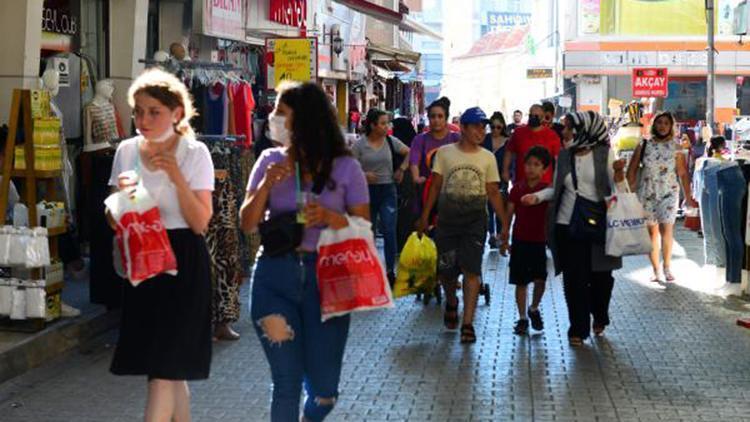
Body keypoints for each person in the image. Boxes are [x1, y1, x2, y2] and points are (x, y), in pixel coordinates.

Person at [240, 81, 369, 422]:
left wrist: (330, 217)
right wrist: (267, 184)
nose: (273, 119)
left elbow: (364, 228)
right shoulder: (269, 160)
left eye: (281, 113)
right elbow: (247, 222)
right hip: (274, 276)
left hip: (328, 280)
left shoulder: (345, 167)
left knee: (325, 392)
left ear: (305, 120)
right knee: (287, 382)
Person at [107, 68, 214, 421]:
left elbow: (200, 221)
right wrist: (122, 208)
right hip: (144, 260)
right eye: (138, 111)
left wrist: (175, 176)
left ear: (176, 113)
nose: (143, 119)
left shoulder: (194, 153)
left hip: (183, 259)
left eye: (154, 111)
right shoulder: (126, 151)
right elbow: (115, 211)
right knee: (169, 368)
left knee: (163, 371)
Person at [524, 111, 627, 346]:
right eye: (565, 128)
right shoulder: (564, 156)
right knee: (574, 280)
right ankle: (577, 329)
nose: (566, 133)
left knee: (601, 278)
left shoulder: (604, 155)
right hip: (567, 226)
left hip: (599, 225)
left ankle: (599, 315)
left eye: (571, 128)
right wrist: (537, 197)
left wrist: (620, 176)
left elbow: (620, 192)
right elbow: (556, 188)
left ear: (586, 131)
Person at [416, 107, 506, 344]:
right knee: (446, 271)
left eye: (482, 126)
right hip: (447, 222)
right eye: (476, 126)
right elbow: (435, 186)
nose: (481, 131)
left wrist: (506, 225)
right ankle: (452, 301)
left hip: (475, 223)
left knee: (472, 270)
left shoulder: (487, 157)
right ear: (463, 128)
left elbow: (493, 192)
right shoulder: (445, 154)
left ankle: (468, 322)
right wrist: (425, 217)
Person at [626, 111, 697, 282]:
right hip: (647, 192)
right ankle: (655, 269)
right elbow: (632, 170)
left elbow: (682, 173)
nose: (662, 126)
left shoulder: (676, 148)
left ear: (671, 126)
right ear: (654, 125)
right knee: (652, 233)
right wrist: (626, 194)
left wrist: (688, 198)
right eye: (659, 123)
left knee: (666, 229)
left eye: (666, 123)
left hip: (669, 193)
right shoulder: (643, 145)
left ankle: (666, 267)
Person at [353, 109, 410, 285]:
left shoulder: (391, 142)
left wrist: (401, 169)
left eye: (388, 123)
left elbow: (410, 152)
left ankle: (389, 271)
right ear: (373, 125)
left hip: (387, 190)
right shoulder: (359, 145)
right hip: (365, 193)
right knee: (367, 232)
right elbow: (348, 168)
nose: (387, 126)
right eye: (383, 123)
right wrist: (363, 175)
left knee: (389, 230)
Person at [501, 146, 552, 335]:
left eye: (536, 165)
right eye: (528, 164)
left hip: (539, 241)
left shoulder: (547, 190)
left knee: (540, 280)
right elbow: (509, 213)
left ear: (544, 169)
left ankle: (534, 308)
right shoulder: (517, 189)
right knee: (520, 282)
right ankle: (522, 318)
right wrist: (505, 234)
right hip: (520, 240)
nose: (531, 168)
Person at [409, 97, 460, 204]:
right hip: (426, 192)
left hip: (452, 193)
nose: (436, 120)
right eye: (433, 116)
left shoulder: (456, 138)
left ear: (446, 118)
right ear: (428, 118)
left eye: (440, 116)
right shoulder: (420, 139)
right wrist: (416, 178)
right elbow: (414, 161)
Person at [503, 104, 561, 186]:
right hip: (521, 182)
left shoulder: (552, 135)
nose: (533, 118)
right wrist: (505, 170)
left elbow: (558, 158)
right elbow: (509, 152)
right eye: (531, 115)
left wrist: (557, 179)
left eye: (536, 116)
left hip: (544, 184)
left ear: (542, 117)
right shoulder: (518, 132)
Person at [482, 111, 510, 249]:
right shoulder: (485, 139)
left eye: (498, 127)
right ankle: (492, 234)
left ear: (503, 127)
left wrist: (509, 174)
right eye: (492, 127)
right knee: (488, 208)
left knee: (500, 207)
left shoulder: (508, 142)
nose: (495, 130)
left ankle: (499, 234)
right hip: (486, 179)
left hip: (501, 179)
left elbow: (512, 161)